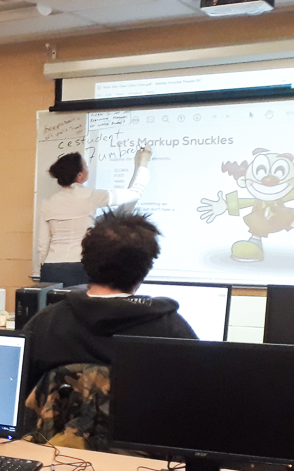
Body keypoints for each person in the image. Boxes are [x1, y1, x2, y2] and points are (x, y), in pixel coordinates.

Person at [23, 208, 197, 395]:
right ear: (145, 269)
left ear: (85, 260)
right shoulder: (173, 331)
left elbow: (17, 394)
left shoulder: (45, 325)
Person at [38, 147, 152, 286]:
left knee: (52, 301)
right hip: (80, 265)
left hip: (51, 267)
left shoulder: (47, 203)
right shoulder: (91, 195)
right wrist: (143, 164)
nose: (88, 169)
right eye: (85, 166)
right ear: (80, 175)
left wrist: (45, 268)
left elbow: (43, 245)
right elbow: (134, 193)